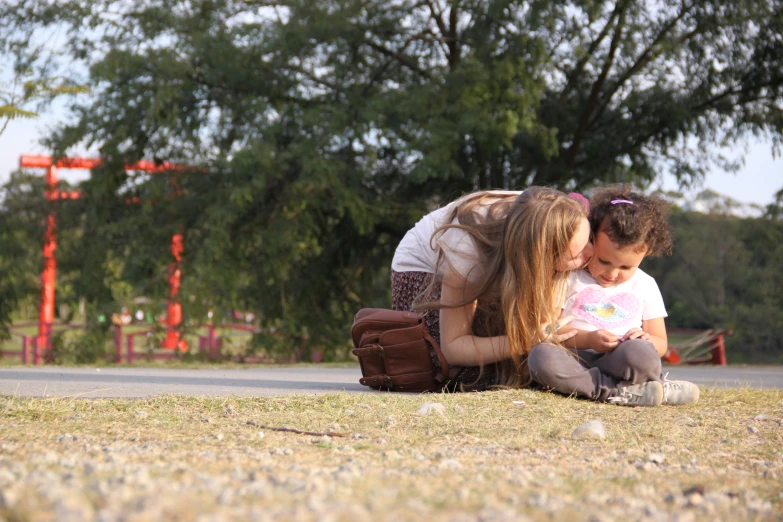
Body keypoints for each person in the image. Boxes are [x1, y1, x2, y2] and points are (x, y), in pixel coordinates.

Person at [391, 187, 593, 390]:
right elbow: (453, 347)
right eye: (577, 255)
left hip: (501, 260)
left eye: (589, 239)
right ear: (541, 262)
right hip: (423, 268)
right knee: (472, 375)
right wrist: (525, 341)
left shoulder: (555, 215)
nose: (591, 252)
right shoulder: (467, 251)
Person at [527, 185, 700, 406]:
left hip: (621, 359)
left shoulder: (645, 284)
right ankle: (621, 391)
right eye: (603, 261)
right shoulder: (569, 276)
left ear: (645, 254)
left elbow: (661, 344)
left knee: (642, 354)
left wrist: (645, 339)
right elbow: (550, 328)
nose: (612, 273)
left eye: (626, 267)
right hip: (576, 360)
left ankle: (643, 386)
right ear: (592, 239)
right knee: (541, 357)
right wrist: (588, 339)